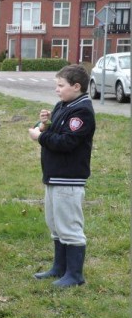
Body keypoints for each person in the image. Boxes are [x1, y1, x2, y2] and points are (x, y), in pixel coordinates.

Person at [28, 64, 95, 288]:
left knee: (69, 226)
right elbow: (54, 131)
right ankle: (60, 267)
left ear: (76, 87)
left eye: (61, 85)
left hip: (69, 177)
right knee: (55, 224)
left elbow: (67, 142)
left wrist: (40, 137)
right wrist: (45, 123)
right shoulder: (63, 105)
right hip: (54, 175)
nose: (57, 90)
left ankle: (75, 275)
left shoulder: (82, 112)